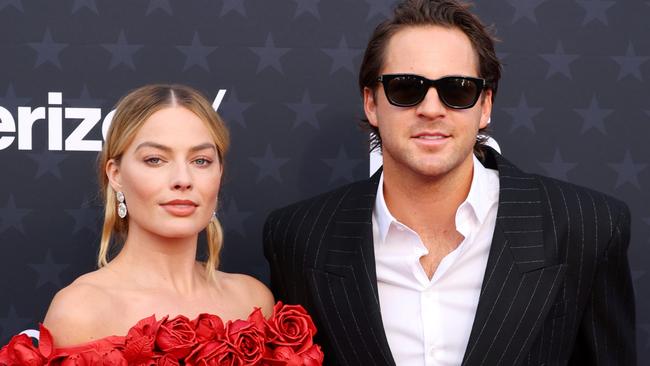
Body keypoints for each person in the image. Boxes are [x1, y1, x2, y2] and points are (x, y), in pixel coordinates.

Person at [263, 0, 636, 365]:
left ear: (485, 105)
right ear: (371, 104)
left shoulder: (586, 228)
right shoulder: (300, 239)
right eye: (406, 88)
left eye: (457, 89)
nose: (431, 108)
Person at [44, 84, 274, 347]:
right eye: (155, 159)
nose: (182, 180)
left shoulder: (253, 302)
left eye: (201, 161)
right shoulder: (81, 311)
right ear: (115, 175)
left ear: (219, 173)